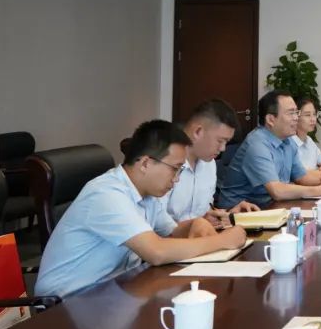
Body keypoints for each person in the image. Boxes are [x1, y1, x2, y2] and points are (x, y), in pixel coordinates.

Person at [36, 120, 248, 298]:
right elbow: (156, 251)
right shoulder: (107, 194)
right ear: (146, 163)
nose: (176, 180)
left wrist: (196, 223)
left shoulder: (148, 194)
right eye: (175, 169)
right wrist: (223, 241)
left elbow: (172, 231)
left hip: (115, 289)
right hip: (67, 303)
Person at [215, 90, 321, 208]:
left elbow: (302, 177)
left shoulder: (288, 141)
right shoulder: (257, 144)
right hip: (238, 211)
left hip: (269, 205)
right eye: (291, 113)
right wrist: (319, 190)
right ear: (271, 120)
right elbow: (277, 191)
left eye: (296, 112)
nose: (296, 118)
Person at [162, 98, 259, 226]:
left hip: (202, 235)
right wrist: (196, 225)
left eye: (226, 142)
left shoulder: (209, 164)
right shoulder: (164, 163)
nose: (223, 149)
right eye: (220, 141)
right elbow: (157, 225)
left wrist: (228, 214)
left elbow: (203, 213)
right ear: (198, 132)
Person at [290, 97, 321, 176]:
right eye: (307, 115)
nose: (313, 119)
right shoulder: (289, 144)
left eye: (314, 114)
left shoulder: (309, 141)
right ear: (296, 116)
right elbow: (303, 176)